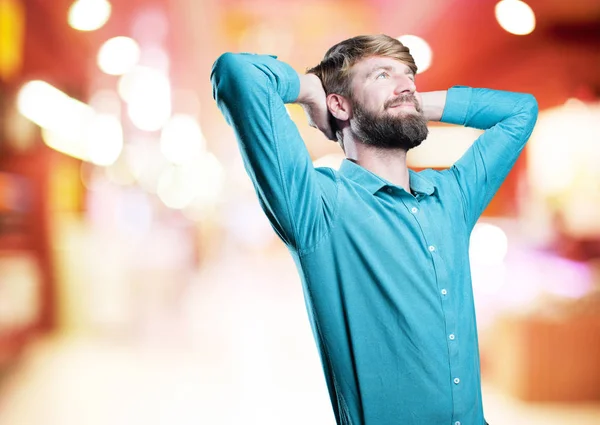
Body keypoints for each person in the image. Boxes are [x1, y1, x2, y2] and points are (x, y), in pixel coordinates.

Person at [211, 34, 537, 425]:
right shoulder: (318, 206)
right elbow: (237, 73)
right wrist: (313, 91)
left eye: (409, 76)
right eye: (382, 74)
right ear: (340, 104)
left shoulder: (451, 197)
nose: (406, 85)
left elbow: (521, 111)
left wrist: (409, 103)